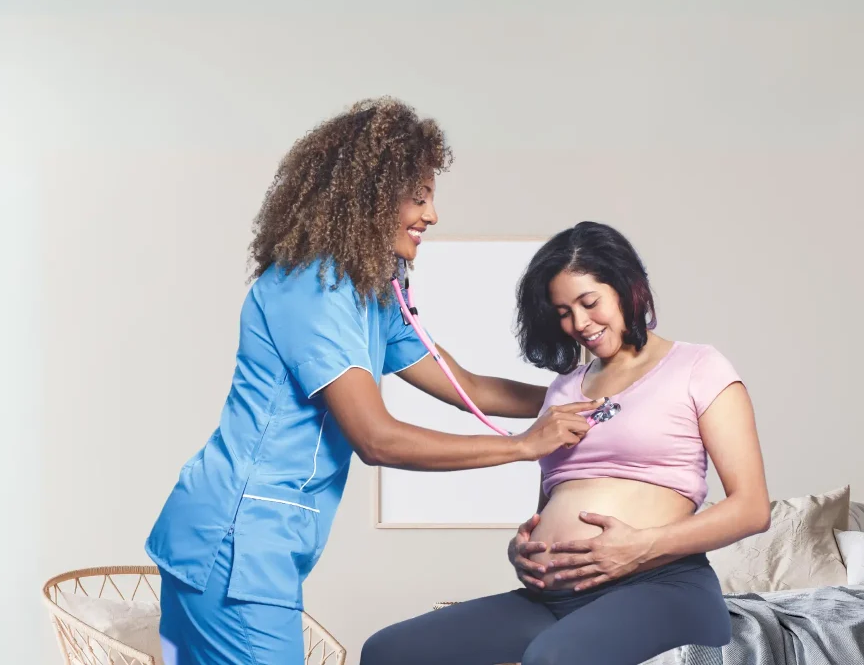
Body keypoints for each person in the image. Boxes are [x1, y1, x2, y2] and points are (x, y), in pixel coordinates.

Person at [144, 99, 604, 665]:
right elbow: (375, 438)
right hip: (232, 547)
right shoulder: (313, 288)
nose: (432, 215)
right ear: (369, 196)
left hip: (255, 549)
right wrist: (524, 447)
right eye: (419, 196)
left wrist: (586, 391)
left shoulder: (372, 296)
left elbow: (468, 388)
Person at [361, 221, 771, 665]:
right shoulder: (563, 389)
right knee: (389, 651)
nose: (579, 323)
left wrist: (641, 546)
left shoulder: (698, 367)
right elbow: (551, 502)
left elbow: (752, 508)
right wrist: (526, 546)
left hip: (662, 585)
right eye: (562, 312)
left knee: (552, 659)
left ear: (626, 287)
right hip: (556, 602)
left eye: (589, 303)